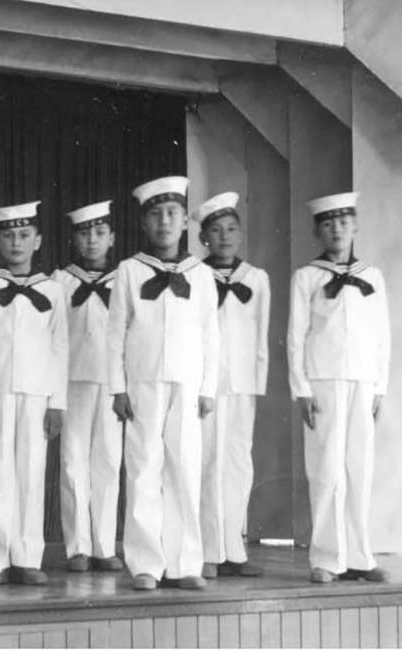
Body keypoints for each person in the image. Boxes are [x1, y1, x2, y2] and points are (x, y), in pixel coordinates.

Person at [108, 176, 219, 591]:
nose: (164, 221)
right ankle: (145, 564)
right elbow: (115, 333)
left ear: (185, 222)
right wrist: (117, 388)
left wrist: (208, 388)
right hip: (143, 383)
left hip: (188, 385)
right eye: (155, 214)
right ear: (144, 223)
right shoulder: (129, 270)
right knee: (142, 470)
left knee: (185, 470)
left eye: (172, 213)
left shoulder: (201, 274)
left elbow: (212, 334)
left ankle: (185, 561)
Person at [0, 201, 68, 588]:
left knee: (31, 474)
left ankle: (27, 557)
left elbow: (60, 349)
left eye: (24, 235)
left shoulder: (53, 291)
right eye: (8, 235)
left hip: (37, 395)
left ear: (37, 240)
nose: (16, 242)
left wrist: (57, 403)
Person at [288, 191, 390, 584]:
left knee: (359, 469)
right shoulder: (307, 277)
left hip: (363, 380)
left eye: (344, 222)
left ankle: (361, 556)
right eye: (329, 224)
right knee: (327, 470)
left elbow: (382, 335)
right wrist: (302, 388)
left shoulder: (372, 276)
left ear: (356, 226)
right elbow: (296, 336)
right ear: (318, 230)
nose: (337, 230)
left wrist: (379, 385)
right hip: (323, 381)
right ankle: (327, 558)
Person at [192, 192, 270, 579]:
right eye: (216, 230)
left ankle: (234, 549)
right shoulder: (194, 275)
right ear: (204, 237)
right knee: (206, 462)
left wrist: (256, 383)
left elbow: (260, 337)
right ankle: (208, 549)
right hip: (205, 386)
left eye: (231, 229)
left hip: (241, 385)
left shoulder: (256, 278)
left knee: (238, 463)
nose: (224, 236)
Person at [52, 200, 123, 573]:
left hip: (112, 383)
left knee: (108, 462)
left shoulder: (124, 279)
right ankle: (77, 546)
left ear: (111, 237)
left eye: (99, 233)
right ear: (74, 239)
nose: (92, 240)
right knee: (73, 462)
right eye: (84, 233)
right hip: (72, 381)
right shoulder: (60, 282)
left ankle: (104, 545)